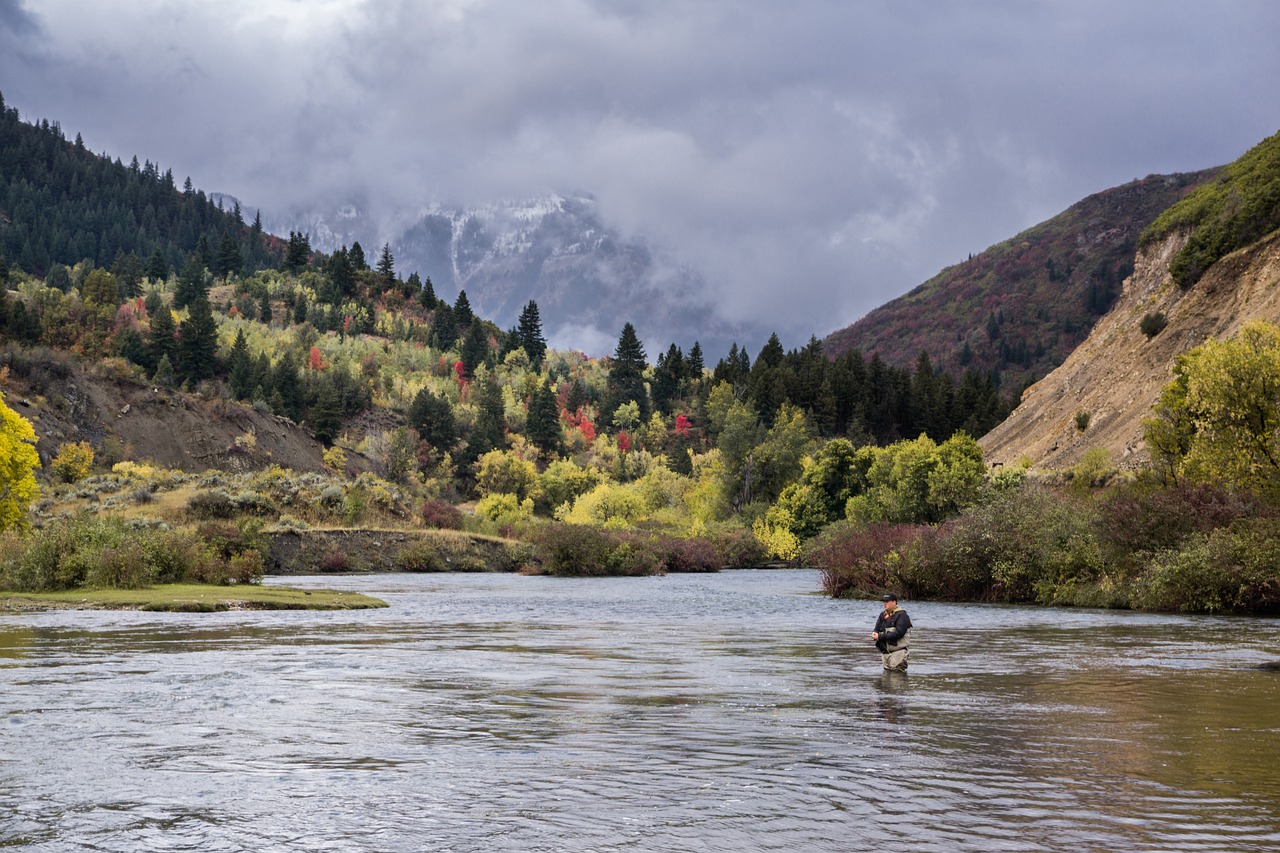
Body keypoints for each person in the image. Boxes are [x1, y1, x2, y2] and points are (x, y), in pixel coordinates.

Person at [870, 593, 911, 671]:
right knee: (886, 680)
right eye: (884, 602)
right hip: (885, 654)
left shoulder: (902, 616)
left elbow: (899, 633)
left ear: (894, 602)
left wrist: (879, 637)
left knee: (897, 679)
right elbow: (877, 628)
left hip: (898, 654)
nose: (884, 603)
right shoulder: (882, 615)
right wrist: (874, 633)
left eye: (887, 601)